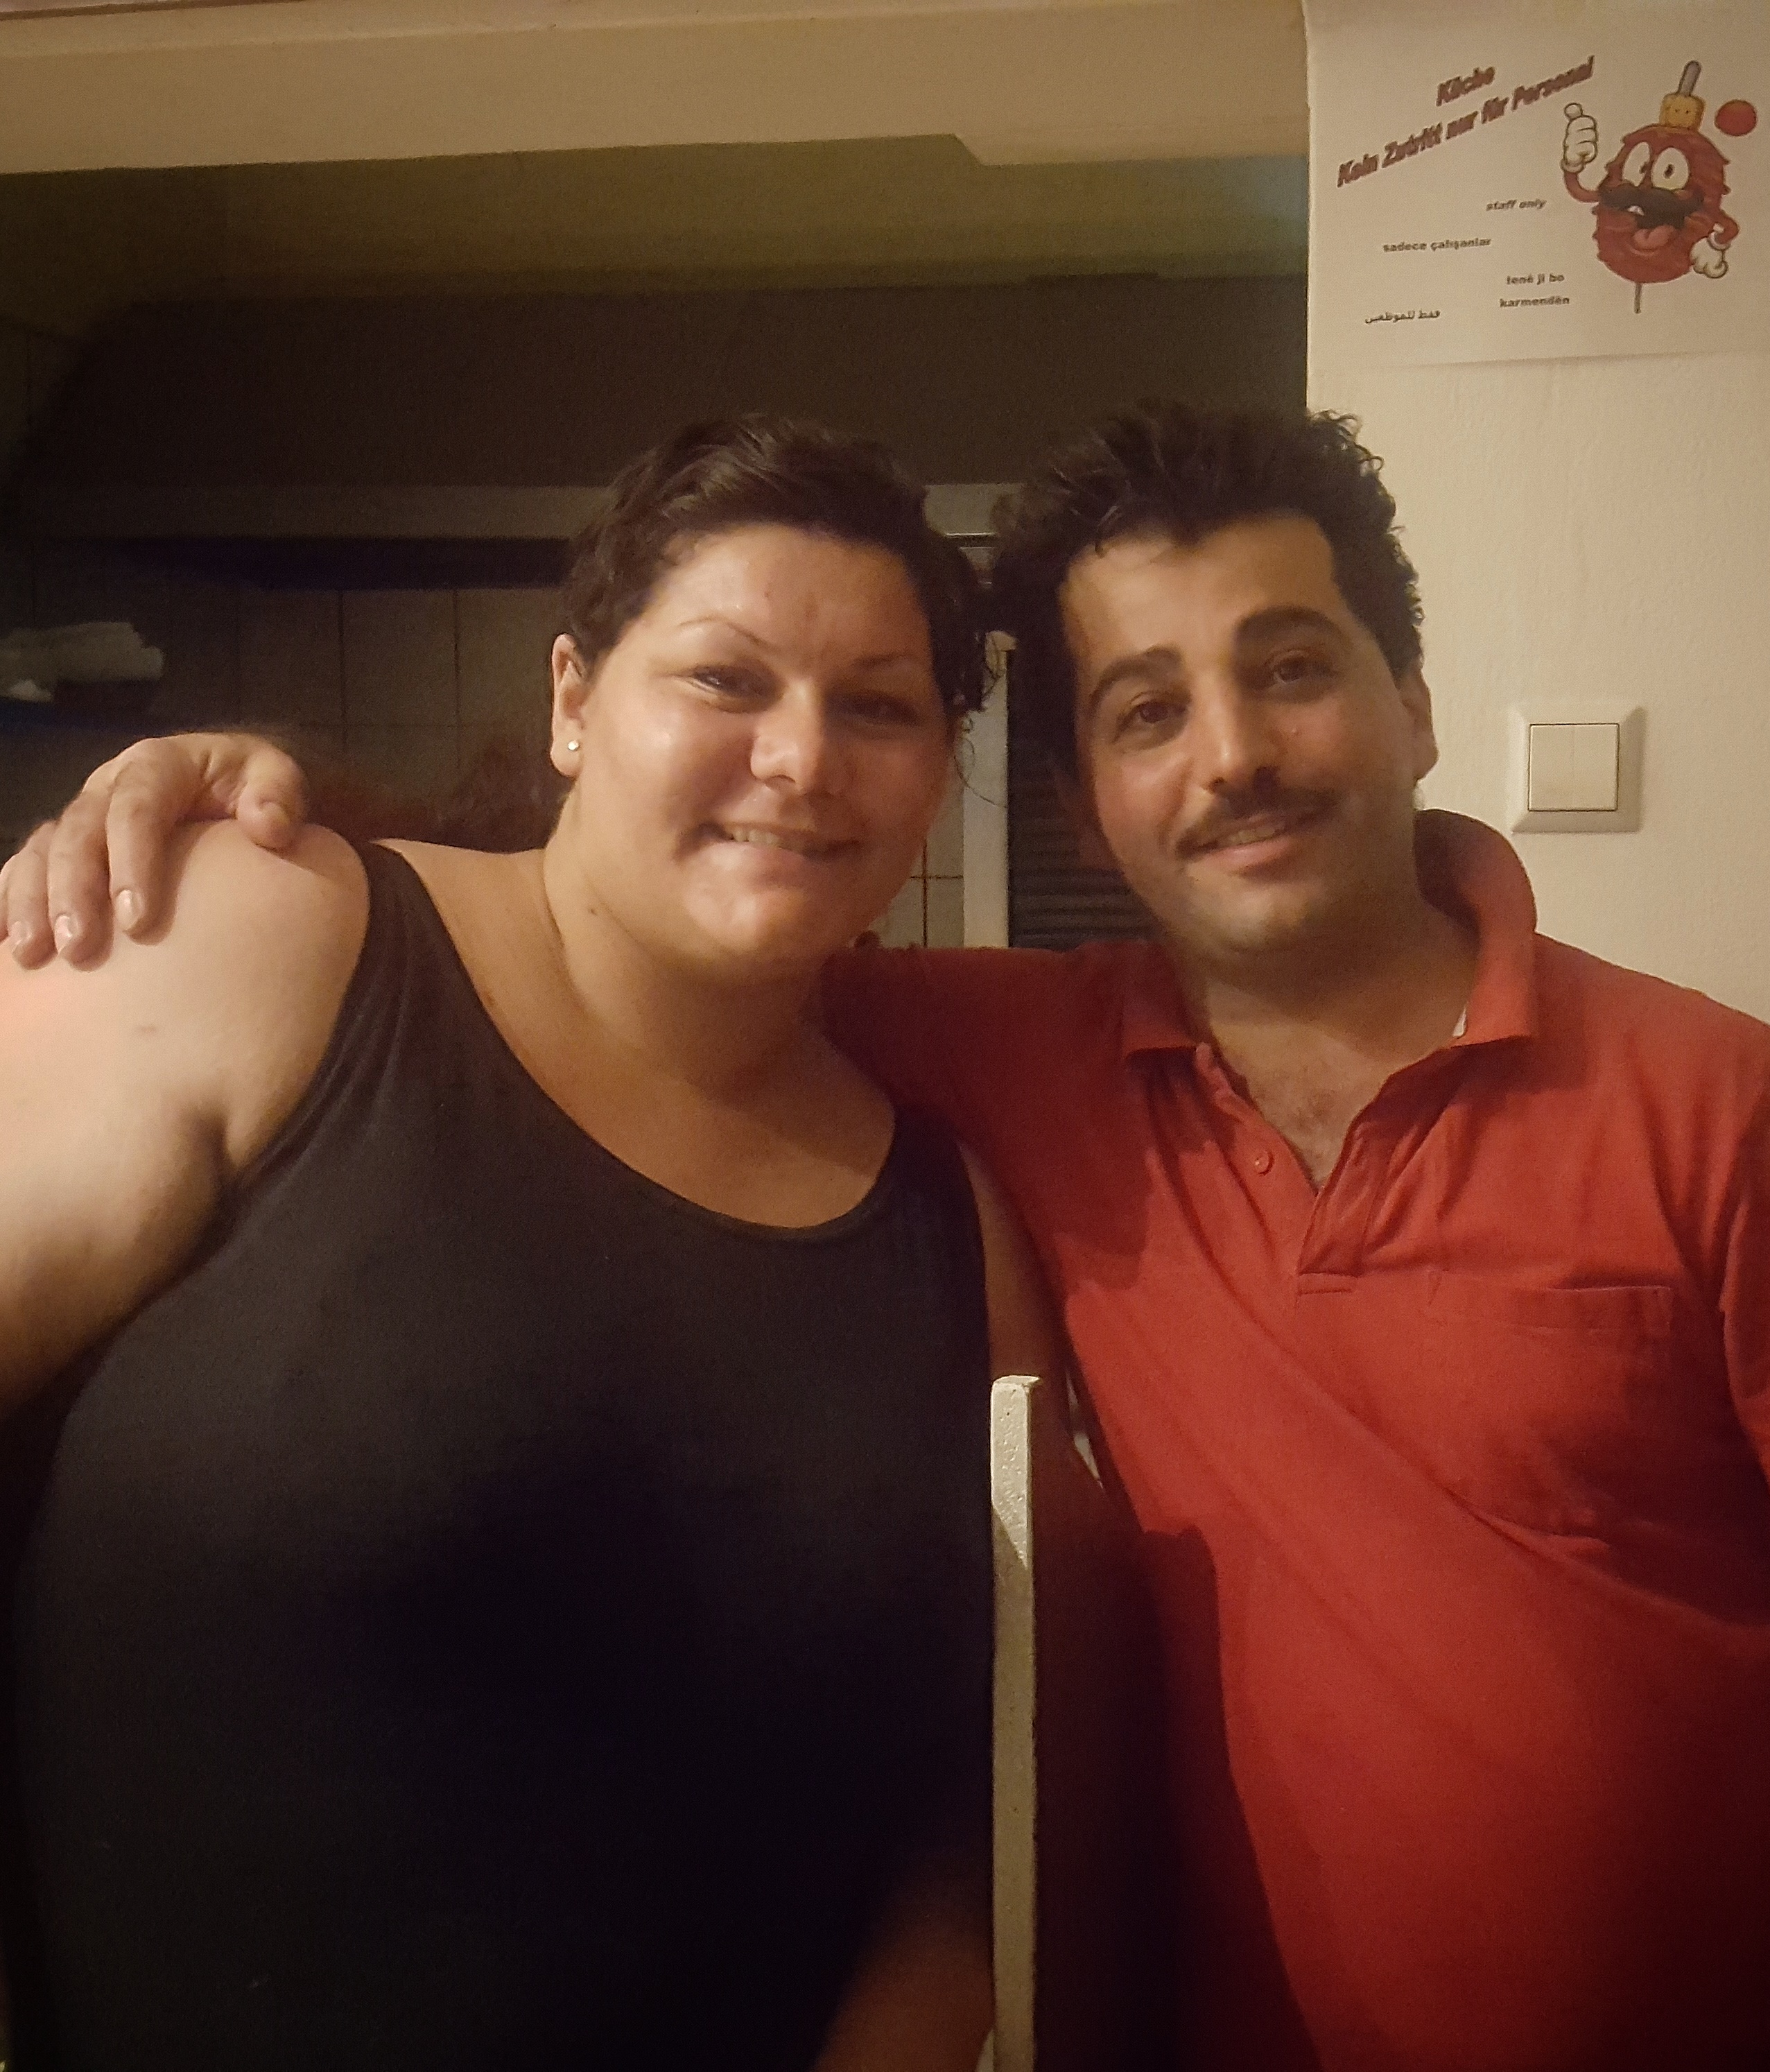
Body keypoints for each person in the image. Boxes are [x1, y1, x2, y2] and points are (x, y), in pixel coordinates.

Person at [11, 402, 1770, 2072]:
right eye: (1147, 708)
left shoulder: (1714, 1100)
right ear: (1085, 797)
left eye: (1291, 669)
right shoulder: (1003, 1063)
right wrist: (260, 814)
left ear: (1415, 702)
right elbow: (634, 931)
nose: (1234, 754)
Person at [0, 415, 1066, 2072]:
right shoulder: (264, 943)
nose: (802, 759)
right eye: (725, 679)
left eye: (879, 706)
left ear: (938, 770)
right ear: (575, 700)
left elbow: (969, 1811)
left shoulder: (950, 1229)